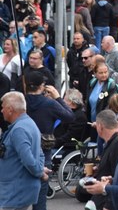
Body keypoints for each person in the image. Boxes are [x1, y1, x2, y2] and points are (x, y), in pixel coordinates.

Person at [25, 71, 75, 210]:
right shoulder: (49, 103)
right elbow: (70, 117)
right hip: (43, 150)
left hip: (23, 149)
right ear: (42, 86)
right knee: (40, 199)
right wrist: (58, 98)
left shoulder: (21, 101)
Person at [0, 91, 45, 210]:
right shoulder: (29, 123)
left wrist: (40, 173)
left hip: (15, 192)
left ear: (10, 109)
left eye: (3, 107)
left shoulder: (18, 130)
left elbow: (29, 161)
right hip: (20, 190)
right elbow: (40, 153)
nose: (1, 110)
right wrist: (40, 168)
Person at [76, 110, 118, 210]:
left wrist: (109, 205)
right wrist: (97, 170)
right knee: (81, 189)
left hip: (108, 194)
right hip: (105, 191)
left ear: (100, 126)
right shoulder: (112, 142)